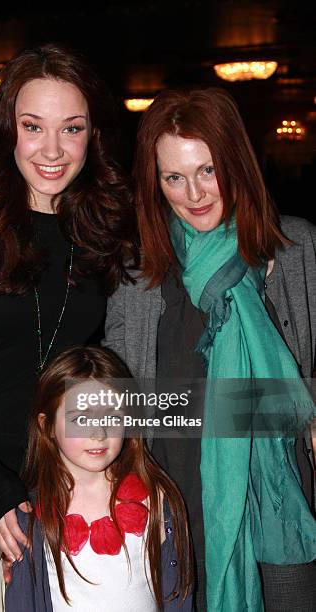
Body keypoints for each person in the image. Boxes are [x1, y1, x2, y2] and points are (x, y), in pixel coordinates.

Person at [0, 43, 138, 610]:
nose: (53, 150)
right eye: (33, 126)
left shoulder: (100, 238)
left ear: (94, 136)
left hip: (31, 508)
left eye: (73, 128)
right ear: (5, 130)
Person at [103, 87, 316, 611]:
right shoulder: (135, 272)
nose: (194, 193)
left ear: (238, 165)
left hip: (278, 505)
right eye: (174, 177)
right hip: (171, 507)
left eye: (208, 170)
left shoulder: (297, 248)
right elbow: (121, 396)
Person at [5, 345, 193, 611]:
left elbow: (178, 593)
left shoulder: (158, 498)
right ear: (47, 426)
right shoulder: (27, 515)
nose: (99, 433)